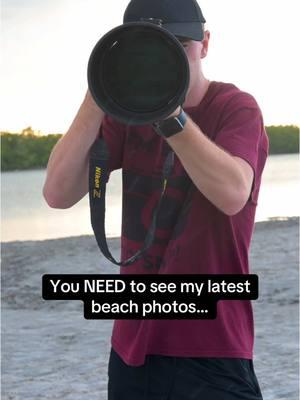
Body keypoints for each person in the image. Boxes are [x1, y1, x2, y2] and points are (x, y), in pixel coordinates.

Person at [43, 0, 268, 398]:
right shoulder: (123, 116)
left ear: (206, 44)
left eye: (178, 45)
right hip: (132, 344)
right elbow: (58, 193)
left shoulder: (235, 107)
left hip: (213, 343)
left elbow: (233, 194)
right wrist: (100, 91)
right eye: (151, 48)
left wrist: (170, 114)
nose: (167, 59)